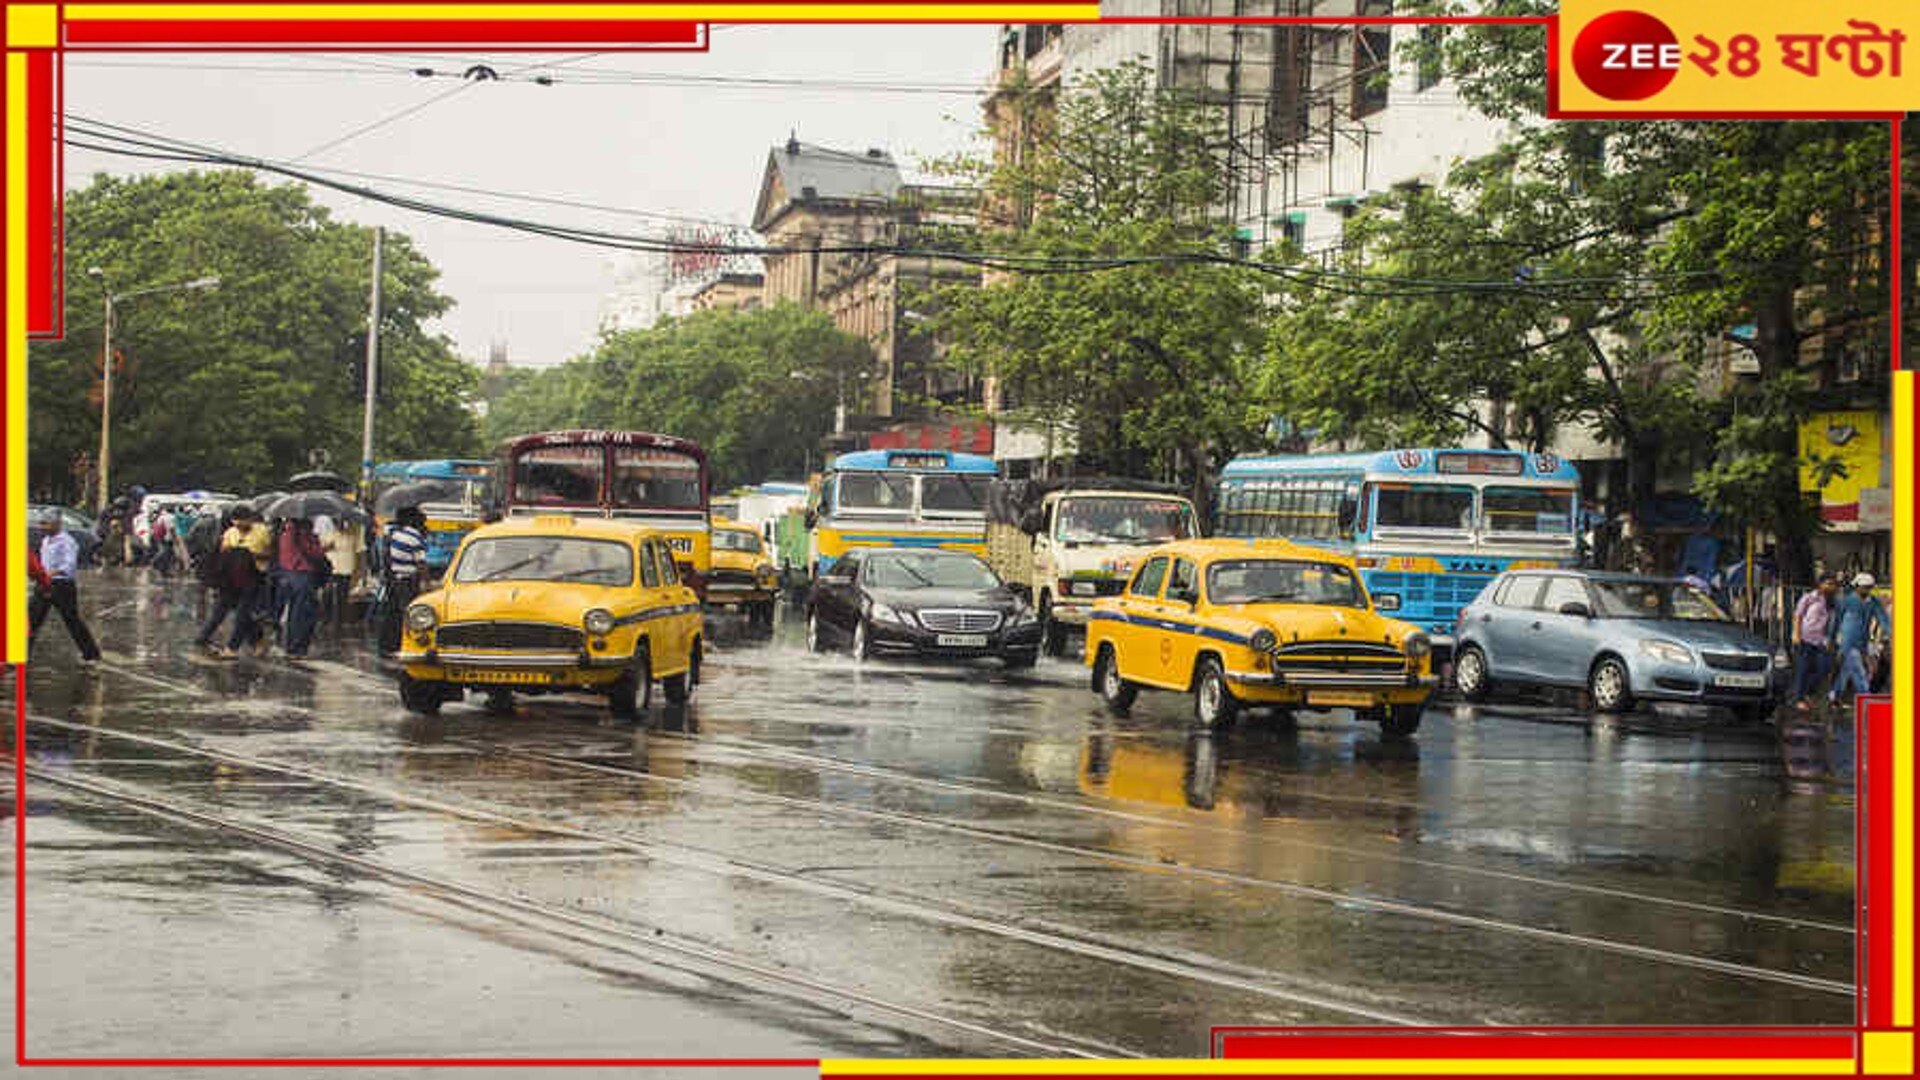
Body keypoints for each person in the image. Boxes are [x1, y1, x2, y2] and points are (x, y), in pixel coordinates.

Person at [29, 515, 103, 663]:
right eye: (41, 524)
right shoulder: (46, 541)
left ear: (57, 524)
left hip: (62, 586)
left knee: (72, 620)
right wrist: (41, 576)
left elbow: (69, 565)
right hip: (43, 583)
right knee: (31, 620)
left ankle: (91, 654)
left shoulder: (67, 542)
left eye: (45, 524)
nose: (42, 527)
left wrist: (52, 573)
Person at [1829, 572, 1892, 708]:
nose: (1867, 590)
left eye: (1869, 587)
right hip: (1847, 642)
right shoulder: (1846, 600)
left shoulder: (1873, 602)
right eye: (1864, 587)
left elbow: (1882, 618)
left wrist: (1890, 633)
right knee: (1858, 670)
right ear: (1856, 586)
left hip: (1862, 642)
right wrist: (1831, 638)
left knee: (1846, 670)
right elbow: (1836, 620)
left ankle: (1834, 695)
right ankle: (1867, 699)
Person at [271, 517, 329, 660]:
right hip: (302, 575)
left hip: (286, 575)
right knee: (304, 614)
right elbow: (314, 552)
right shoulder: (302, 534)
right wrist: (322, 548)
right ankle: (298, 648)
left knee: (294, 613)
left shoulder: (284, 533)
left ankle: (292, 646)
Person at [223, 505, 276, 656]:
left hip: (256, 576)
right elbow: (223, 551)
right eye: (236, 522)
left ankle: (232, 648)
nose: (239, 526)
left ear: (250, 519)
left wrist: (255, 556)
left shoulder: (263, 532)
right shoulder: (230, 533)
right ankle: (257, 640)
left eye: (243, 522)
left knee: (242, 613)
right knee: (244, 614)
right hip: (234, 578)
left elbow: (273, 553)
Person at [378, 506, 429, 656]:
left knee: (392, 613)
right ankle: (404, 645)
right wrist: (427, 583)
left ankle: (386, 645)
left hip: (393, 578)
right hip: (407, 581)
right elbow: (421, 564)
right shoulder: (415, 538)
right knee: (408, 614)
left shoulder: (395, 533)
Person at [1790, 574, 1839, 708]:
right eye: (1828, 583)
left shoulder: (1831, 601)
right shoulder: (1809, 597)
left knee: (1825, 666)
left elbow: (1831, 622)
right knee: (1803, 668)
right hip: (1805, 637)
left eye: (1833, 584)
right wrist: (1796, 633)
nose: (1831, 587)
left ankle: (1807, 692)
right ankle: (1799, 699)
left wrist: (1829, 639)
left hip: (1821, 640)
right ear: (1820, 584)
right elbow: (1798, 615)